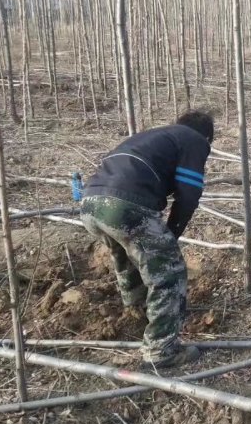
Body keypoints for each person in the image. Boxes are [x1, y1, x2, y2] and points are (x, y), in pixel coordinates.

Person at [80, 110, 214, 369]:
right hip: (124, 205)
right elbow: (188, 194)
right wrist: (172, 234)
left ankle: (136, 311)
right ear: (207, 137)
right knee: (169, 272)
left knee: (126, 255)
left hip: (90, 204)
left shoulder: (156, 136)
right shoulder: (195, 140)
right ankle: (161, 349)